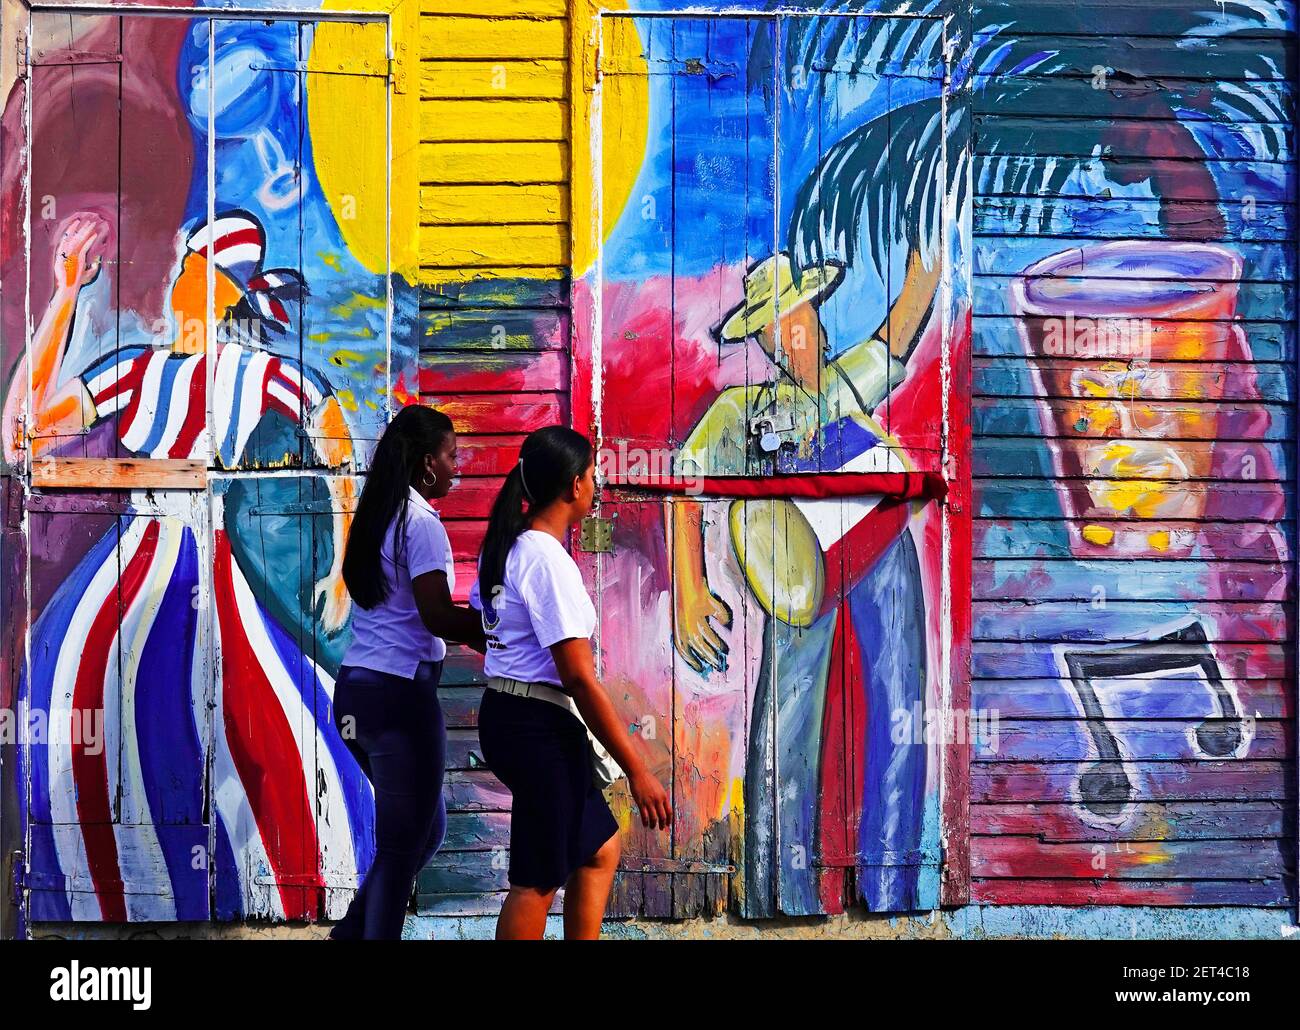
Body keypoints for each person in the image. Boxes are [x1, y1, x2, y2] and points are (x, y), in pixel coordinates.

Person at [671, 248, 938, 915]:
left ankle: (889, 885)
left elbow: (899, 333)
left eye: (804, 318)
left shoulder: (845, 385)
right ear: (765, 338)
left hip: (882, 560)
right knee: (787, 731)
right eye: (781, 325)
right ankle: (783, 893)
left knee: (895, 715)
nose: (800, 334)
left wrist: (923, 266)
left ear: (816, 319)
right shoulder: (739, 412)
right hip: (799, 577)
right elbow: (686, 483)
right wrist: (690, 589)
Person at [470, 425, 672, 939]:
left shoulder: (513, 549)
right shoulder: (543, 559)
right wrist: (637, 770)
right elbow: (579, 679)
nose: (596, 481)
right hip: (535, 726)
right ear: (572, 486)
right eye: (591, 473)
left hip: (521, 718)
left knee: (597, 848)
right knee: (537, 879)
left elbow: (496, 632)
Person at [331, 404, 485, 939]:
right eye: (450, 457)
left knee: (424, 831)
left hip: (355, 696)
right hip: (399, 700)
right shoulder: (421, 525)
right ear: (425, 465)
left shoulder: (379, 515)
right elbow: (437, 615)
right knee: (402, 848)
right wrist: (498, 633)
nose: (456, 467)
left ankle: (349, 935)